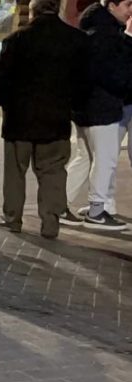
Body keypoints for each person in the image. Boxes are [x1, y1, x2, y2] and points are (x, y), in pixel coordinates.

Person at [0, 0, 88, 238]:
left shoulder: (16, 40)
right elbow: (84, 83)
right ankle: (51, 223)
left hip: (18, 121)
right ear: (58, 9)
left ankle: (12, 218)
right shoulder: (76, 41)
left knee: (15, 173)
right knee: (53, 172)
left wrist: (5, 103)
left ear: (33, 11)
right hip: (55, 121)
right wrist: (72, 106)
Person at [64, 0, 132, 232]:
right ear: (112, 6)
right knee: (106, 160)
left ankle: (59, 204)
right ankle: (97, 211)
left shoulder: (92, 29)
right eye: (128, 4)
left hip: (85, 107)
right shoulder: (107, 36)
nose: (131, 10)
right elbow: (113, 75)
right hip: (102, 107)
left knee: (85, 158)